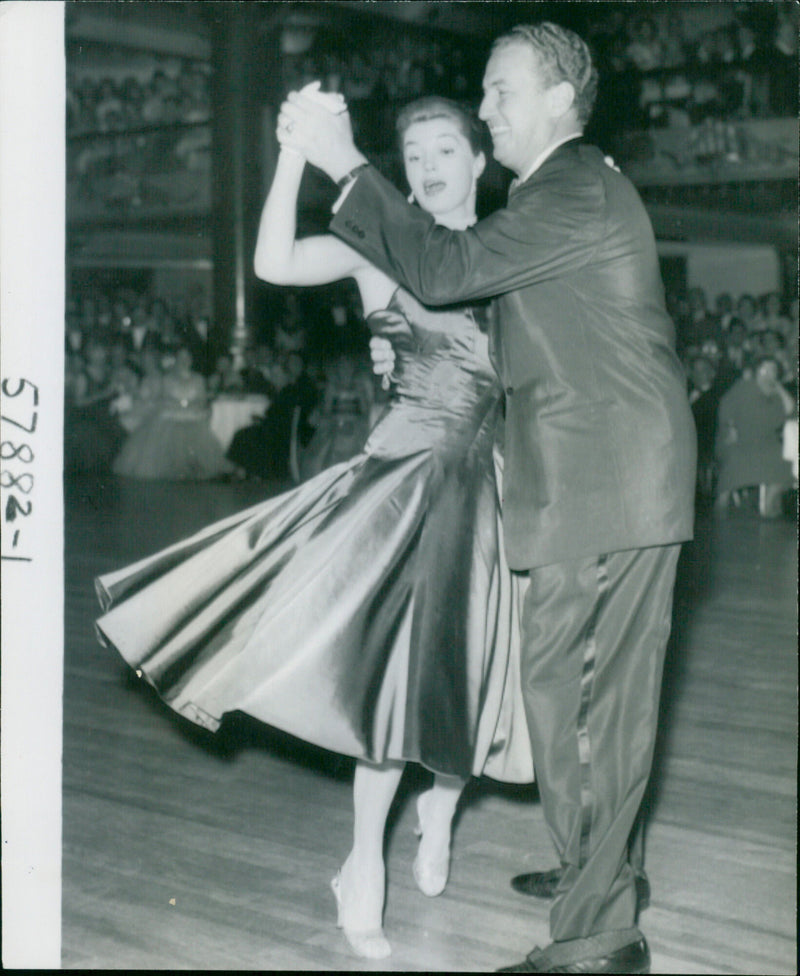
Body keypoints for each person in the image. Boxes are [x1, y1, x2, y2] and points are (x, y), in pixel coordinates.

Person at [278, 21, 697, 974]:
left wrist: (345, 164)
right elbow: (519, 331)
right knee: (596, 703)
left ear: (557, 99)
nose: (484, 108)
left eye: (499, 91)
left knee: (578, 703)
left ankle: (597, 940)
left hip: (605, 481)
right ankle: (600, 873)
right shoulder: (568, 192)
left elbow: (446, 269)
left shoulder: (569, 189)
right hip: (608, 476)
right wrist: (409, 350)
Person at [95, 94, 537, 961]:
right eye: (414, 155)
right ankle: (361, 865)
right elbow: (270, 262)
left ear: (480, 163)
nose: (430, 165)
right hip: (403, 485)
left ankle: (443, 805)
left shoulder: (512, 253)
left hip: (493, 491)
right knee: (387, 690)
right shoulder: (379, 247)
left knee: (476, 681)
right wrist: (294, 151)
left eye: (447, 149)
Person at [112, 346, 236, 480]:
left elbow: (202, 400)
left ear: (191, 359)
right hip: (171, 417)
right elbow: (163, 399)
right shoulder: (167, 379)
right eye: (181, 357)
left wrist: (188, 406)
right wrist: (181, 405)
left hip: (192, 417)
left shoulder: (198, 379)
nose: (184, 360)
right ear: (176, 359)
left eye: (187, 357)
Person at [715, 356, 795, 518]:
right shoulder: (744, 386)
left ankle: (769, 501)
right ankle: (722, 500)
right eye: (764, 369)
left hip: (766, 440)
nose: (767, 373)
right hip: (739, 437)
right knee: (736, 459)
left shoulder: (776, 393)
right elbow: (725, 407)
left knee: (785, 461)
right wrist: (731, 428)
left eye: (772, 369)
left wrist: (779, 387)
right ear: (756, 370)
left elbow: (790, 410)